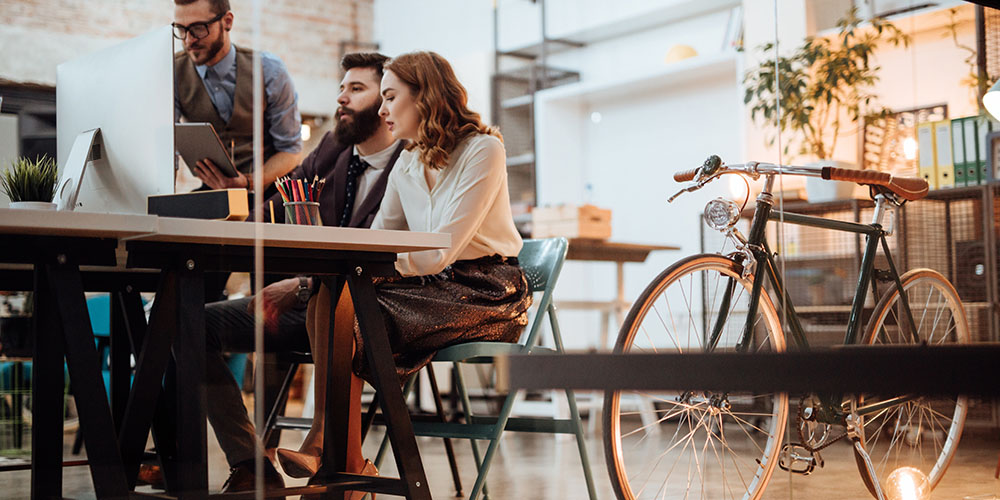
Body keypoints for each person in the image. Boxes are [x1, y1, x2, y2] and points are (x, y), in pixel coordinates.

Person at [272, 51, 533, 495]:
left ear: (424, 96)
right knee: (331, 292)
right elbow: (376, 240)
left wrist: (374, 269)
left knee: (351, 303)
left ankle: (339, 459)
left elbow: (440, 251)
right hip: (433, 285)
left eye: (390, 96)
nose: (382, 109)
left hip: (487, 291)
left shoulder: (483, 150)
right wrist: (356, 267)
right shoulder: (410, 161)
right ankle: (342, 460)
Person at [164, 52, 401, 493]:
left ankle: (335, 454)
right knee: (186, 319)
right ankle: (251, 463)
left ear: (389, 104)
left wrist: (303, 283)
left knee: (329, 305)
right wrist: (234, 202)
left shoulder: (410, 163)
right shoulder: (333, 148)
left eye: (357, 89)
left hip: (366, 312)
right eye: (342, 88)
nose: (342, 98)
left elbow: (389, 259)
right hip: (311, 305)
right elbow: (278, 207)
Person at [173, 0, 303, 196]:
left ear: (227, 21)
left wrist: (248, 182)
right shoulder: (172, 71)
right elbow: (166, 148)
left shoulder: (270, 71)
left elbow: (290, 151)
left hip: (270, 193)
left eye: (198, 29)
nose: (189, 41)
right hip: (213, 192)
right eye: (181, 29)